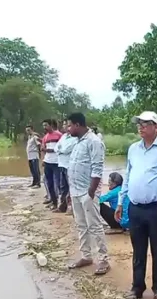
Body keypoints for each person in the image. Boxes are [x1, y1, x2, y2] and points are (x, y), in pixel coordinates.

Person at [118, 111, 157, 299]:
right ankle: (137, 287)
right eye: (139, 124)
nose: (140, 127)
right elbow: (128, 176)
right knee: (138, 249)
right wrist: (121, 202)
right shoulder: (133, 149)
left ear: (156, 126)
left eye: (145, 124)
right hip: (135, 207)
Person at [65, 112, 110, 275]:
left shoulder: (94, 142)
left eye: (69, 125)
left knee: (95, 225)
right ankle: (86, 256)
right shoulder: (77, 143)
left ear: (77, 125)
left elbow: (97, 169)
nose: (68, 128)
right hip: (76, 191)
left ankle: (103, 259)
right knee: (81, 225)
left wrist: (91, 192)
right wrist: (71, 192)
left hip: (87, 193)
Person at [42, 119, 62, 208]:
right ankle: (54, 202)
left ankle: (60, 202)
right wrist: (43, 158)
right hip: (47, 162)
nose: (44, 127)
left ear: (51, 125)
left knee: (57, 183)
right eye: (43, 125)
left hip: (57, 162)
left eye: (46, 125)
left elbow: (61, 148)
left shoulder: (59, 135)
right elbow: (43, 148)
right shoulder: (45, 137)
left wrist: (49, 150)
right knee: (49, 183)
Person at [56, 121, 75, 214]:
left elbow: (66, 150)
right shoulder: (63, 137)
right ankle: (62, 207)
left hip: (69, 166)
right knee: (63, 187)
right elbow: (56, 148)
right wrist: (60, 149)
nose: (65, 127)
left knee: (71, 187)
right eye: (64, 125)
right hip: (61, 164)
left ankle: (71, 208)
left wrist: (60, 149)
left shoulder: (74, 138)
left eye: (67, 125)